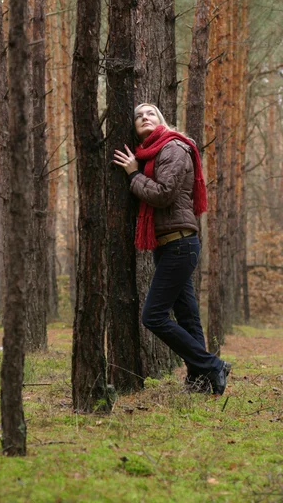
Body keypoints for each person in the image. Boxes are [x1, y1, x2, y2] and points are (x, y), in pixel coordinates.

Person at [113, 103, 231, 395]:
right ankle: (201, 381)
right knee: (188, 316)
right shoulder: (150, 155)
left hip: (179, 243)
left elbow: (163, 194)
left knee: (152, 316)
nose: (144, 117)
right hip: (169, 244)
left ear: (161, 120)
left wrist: (133, 175)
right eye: (138, 116)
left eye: (150, 113)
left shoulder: (173, 148)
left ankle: (212, 364)